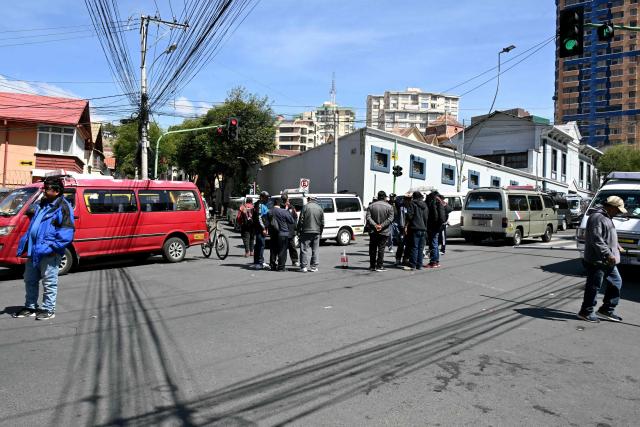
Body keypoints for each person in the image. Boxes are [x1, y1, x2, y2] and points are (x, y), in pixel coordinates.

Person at [12, 177, 75, 320]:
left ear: (57, 191)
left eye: (47, 189)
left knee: (49, 282)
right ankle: (30, 307)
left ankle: (48, 309)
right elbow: (29, 210)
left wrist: (51, 247)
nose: (44, 191)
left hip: (49, 252)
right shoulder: (42, 203)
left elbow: (66, 234)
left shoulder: (63, 207)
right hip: (34, 249)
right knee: (30, 280)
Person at [577, 196, 626, 323]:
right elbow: (596, 239)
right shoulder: (597, 217)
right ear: (610, 207)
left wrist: (617, 246)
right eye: (618, 209)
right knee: (594, 287)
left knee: (616, 282)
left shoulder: (607, 217)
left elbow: (607, 235)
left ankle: (606, 309)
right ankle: (585, 311)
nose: (619, 212)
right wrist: (608, 254)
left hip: (607, 259)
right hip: (598, 260)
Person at [366, 191, 394, 272]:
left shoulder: (371, 206)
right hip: (384, 231)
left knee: (372, 248)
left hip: (373, 231)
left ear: (378, 197)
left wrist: (375, 225)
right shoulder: (389, 207)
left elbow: (368, 217)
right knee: (381, 249)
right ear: (385, 197)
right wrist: (381, 225)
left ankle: (372, 266)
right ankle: (379, 265)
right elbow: (390, 219)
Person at [403, 191, 429, 271]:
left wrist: (406, 224)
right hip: (423, 228)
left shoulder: (412, 204)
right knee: (421, 248)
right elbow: (426, 217)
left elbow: (410, 216)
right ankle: (419, 265)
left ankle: (413, 265)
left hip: (415, 228)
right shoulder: (425, 205)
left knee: (414, 247)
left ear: (414, 197)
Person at [297, 196, 324, 272]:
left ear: (309, 199)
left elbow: (301, 220)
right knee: (315, 250)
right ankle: (314, 267)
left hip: (306, 231)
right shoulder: (320, 208)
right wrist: (320, 232)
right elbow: (322, 223)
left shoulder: (305, 207)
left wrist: (298, 230)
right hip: (317, 232)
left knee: (304, 249)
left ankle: (303, 267)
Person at [268, 196, 295, 271]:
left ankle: (272, 265)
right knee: (282, 250)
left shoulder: (270, 211)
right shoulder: (283, 211)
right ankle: (281, 267)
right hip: (283, 233)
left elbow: (267, 222)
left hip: (273, 233)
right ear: (280, 204)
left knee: (273, 250)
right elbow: (291, 221)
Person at [426, 190, 446, 268]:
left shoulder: (434, 203)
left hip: (433, 226)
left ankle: (433, 262)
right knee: (436, 244)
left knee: (433, 243)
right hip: (438, 226)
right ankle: (436, 261)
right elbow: (448, 209)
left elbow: (434, 216)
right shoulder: (440, 202)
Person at [252, 191, 271, 269]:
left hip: (259, 228)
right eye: (266, 197)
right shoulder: (259, 205)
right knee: (261, 245)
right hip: (259, 229)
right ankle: (259, 263)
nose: (267, 199)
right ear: (262, 197)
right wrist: (263, 228)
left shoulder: (260, 204)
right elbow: (259, 218)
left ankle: (258, 261)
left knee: (258, 245)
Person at [283, 195, 300, 267]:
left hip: (290, 231)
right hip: (283, 230)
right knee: (282, 248)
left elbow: (296, 217)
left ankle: (295, 261)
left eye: (286, 199)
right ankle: (281, 262)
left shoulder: (292, 207)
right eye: (284, 200)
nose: (286, 201)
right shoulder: (281, 207)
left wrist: (294, 226)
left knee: (292, 247)